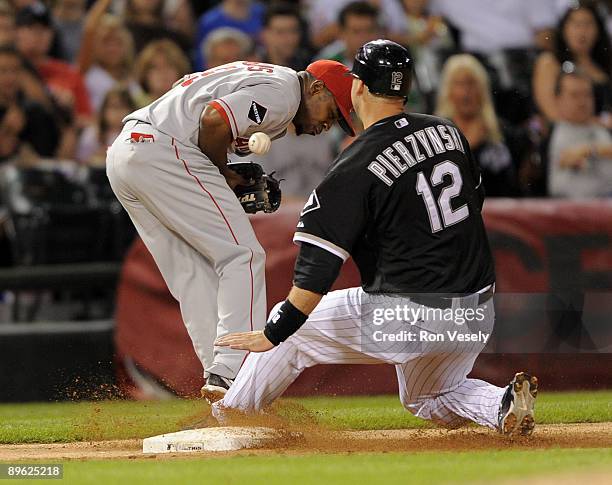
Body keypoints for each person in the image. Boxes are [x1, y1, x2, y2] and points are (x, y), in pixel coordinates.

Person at [213, 40, 539, 437]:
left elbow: (316, 270)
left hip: (410, 314)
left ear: (359, 87)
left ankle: (230, 419)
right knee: (429, 396)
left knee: (292, 332)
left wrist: (274, 331)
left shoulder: (356, 163)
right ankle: (501, 403)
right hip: (475, 311)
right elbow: (474, 202)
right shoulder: (448, 131)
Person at [106, 59, 355, 400]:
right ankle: (237, 371)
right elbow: (213, 120)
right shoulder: (284, 94)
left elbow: (196, 98)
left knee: (192, 272)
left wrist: (225, 166)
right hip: (165, 149)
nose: (331, 123)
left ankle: (220, 379)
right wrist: (221, 173)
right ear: (315, 88)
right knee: (243, 255)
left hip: (127, 152)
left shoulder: (265, 78)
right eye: (333, 110)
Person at [436, 54, 519, 197]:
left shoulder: (503, 132)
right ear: (448, 91)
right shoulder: (434, 135)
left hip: (501, 214)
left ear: (482, 89)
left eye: (471, 83)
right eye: (459, 84)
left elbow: (518, 184)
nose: (466, 92)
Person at [533, 2, 612, 123]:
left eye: (588, 24)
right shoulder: (549, 62)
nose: (582, 31)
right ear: (564, 29)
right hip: (567, 133)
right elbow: (551, 113)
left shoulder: (605, 64)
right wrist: (598, 123)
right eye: (576, 24)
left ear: (598, 30)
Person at [548, 69, 612, 198]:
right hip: (583, 209)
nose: (582, 102)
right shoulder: (559, 136)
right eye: (574, 95)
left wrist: (589, 149)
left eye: (587, 94)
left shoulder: (600, 128)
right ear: (558, 99)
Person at [0, 45, 59, 162]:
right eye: (3, 71)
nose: (10, 77)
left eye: (15, 70)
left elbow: (48, 157)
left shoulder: (35, 112)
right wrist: (7, 131)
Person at [194, 0, 265, 70]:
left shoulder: (262, 13)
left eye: (236, 59)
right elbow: (201, 60)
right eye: (225, 60)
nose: (232, 65)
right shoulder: (209, 22)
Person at [77, 87, 136, 165]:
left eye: (122, 107)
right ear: (104, 110)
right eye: (113, 107)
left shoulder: (137, 133)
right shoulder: (92, 133)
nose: (118, 112)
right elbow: (81, 159)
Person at [317, 1, 381, 69]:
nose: (364, 38)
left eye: (369, 31)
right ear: (342, 34)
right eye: (356, 32)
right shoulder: (326, 65)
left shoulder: (388, 64)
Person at [133, 38, 190, 106]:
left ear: (180, 70)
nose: (163, 72)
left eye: (169, 65)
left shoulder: (191, 104)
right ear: (145, 74)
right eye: (155, 67)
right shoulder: (132, 106)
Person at [258, 2, 311, 71]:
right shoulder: (253, 70)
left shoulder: (309, 68)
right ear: (264, 34)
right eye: (281, 32)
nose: (289, 39)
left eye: (293, 31)